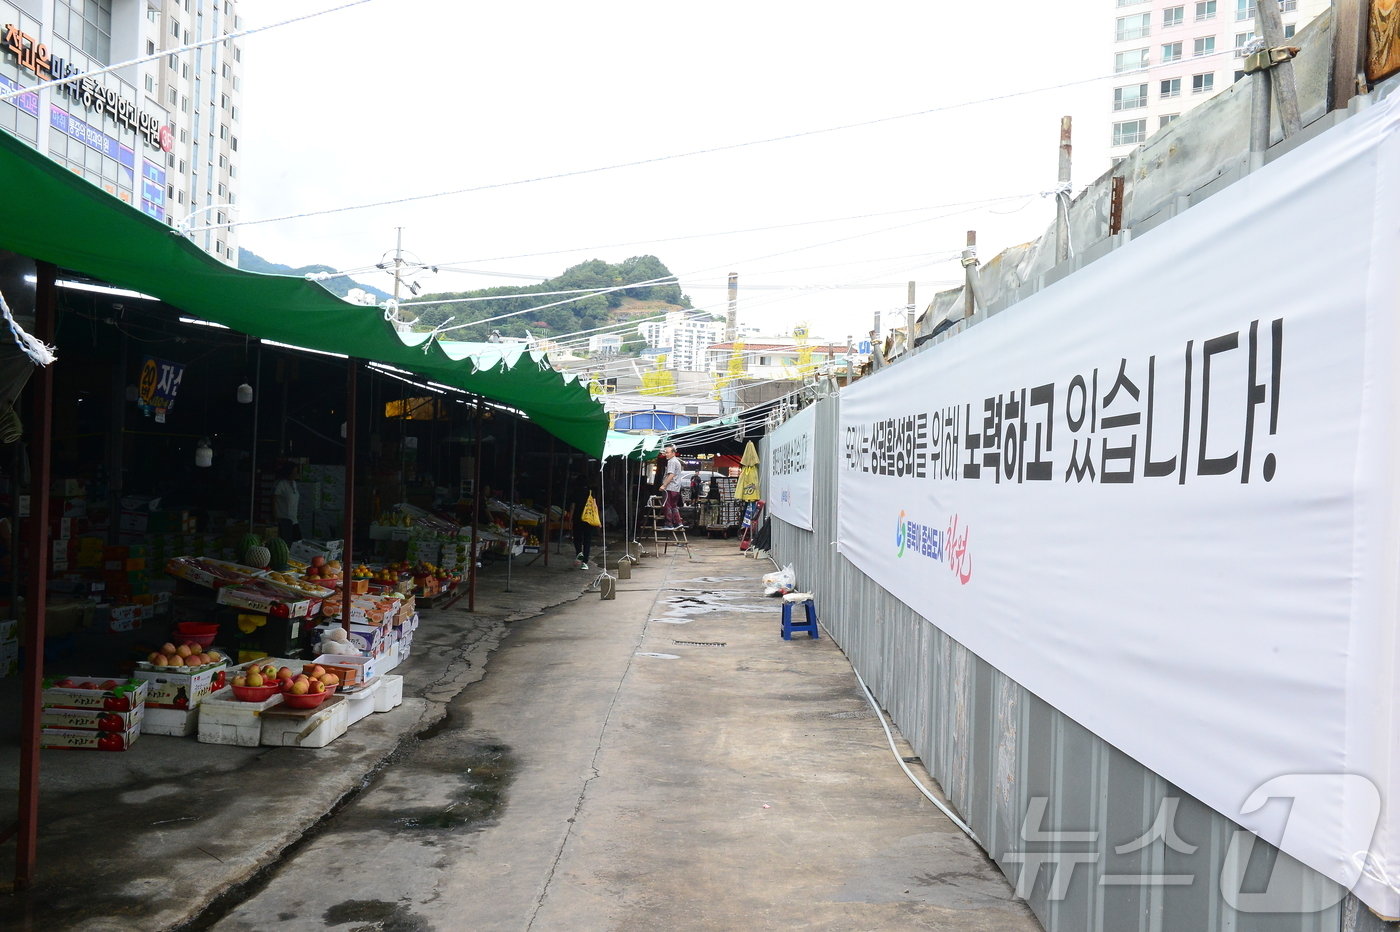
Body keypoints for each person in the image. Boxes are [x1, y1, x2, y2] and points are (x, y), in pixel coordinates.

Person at [570, 469, 598, 570]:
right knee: (587, 540)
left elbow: (572, 507)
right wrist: (597, 519)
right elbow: (594, 507)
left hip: (577, 518)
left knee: (577, 538)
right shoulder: (591, 493)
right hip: (588, 519)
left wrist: (570, 519)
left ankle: (579, 552)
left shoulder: (575, 492)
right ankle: (585, 563)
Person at [273, 462, 302, 543]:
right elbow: (273, 500)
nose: (295, 474)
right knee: (287, 543)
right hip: (284, 518)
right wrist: (275, 516)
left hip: (294, 519)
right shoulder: (281, 484)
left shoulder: (294, 483)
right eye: (294, 472)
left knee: (298, 542)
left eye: (296, 472)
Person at [659, 444, 684, 529]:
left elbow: (671, 475)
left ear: (673, 453)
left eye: (667, 452)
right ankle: (678, 522)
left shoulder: (671, 461)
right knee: (674, 506)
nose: (666, 454)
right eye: (665, 452)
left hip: (670, 487)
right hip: (676, 488)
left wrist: (664, 485)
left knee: (667, 505)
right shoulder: (676, 461)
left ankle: (668, 523)